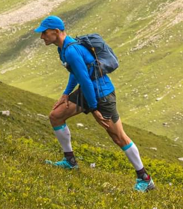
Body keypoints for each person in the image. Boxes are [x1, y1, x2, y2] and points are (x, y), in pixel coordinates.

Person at [34, 15, 155, 192]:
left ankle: (145, 178)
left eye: (44, 33)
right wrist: (66, 94)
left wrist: (94, 109)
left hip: (102, 95)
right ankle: (70, 161)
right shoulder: (63, 49)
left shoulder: (71, 50)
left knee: (118, 136)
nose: (42, 37)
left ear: (56, 32)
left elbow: (85, 80)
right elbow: (77, 73)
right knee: (56, 116)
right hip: (89, 91)